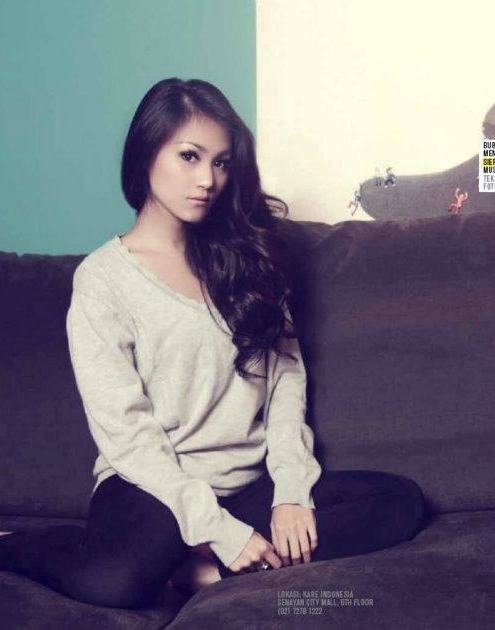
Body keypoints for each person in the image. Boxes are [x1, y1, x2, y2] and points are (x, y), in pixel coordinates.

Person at [0, 78, 428, 609]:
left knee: (398, 502)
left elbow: (285, 381)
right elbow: (127, 433)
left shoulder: (248, 259)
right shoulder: (103, 280)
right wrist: (218, 530)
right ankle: (21, 546)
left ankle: (200, 573)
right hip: (152, 488)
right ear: (146, 152)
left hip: (246, 487)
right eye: (189, 156)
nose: (207, 179)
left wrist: (291, 494)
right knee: (115, 581)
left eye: (221, 162)